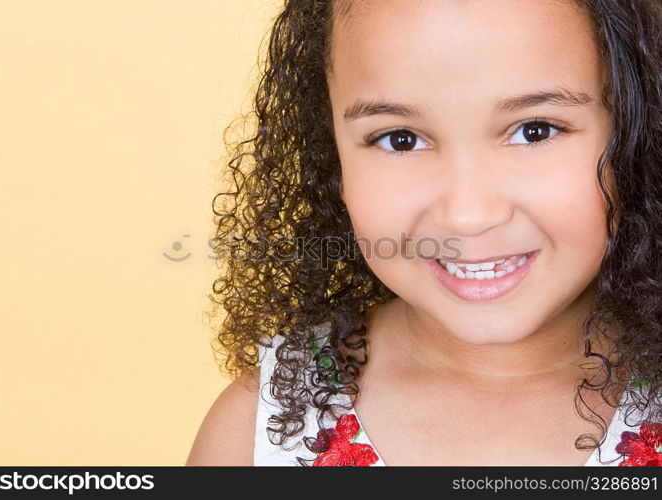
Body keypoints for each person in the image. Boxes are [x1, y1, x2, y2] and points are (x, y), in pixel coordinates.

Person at [186, 0, 662, 466]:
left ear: (638, 131)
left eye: (534, 130)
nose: (467, 215)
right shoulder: (260, 435)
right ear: (329, 158)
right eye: (400, 139)